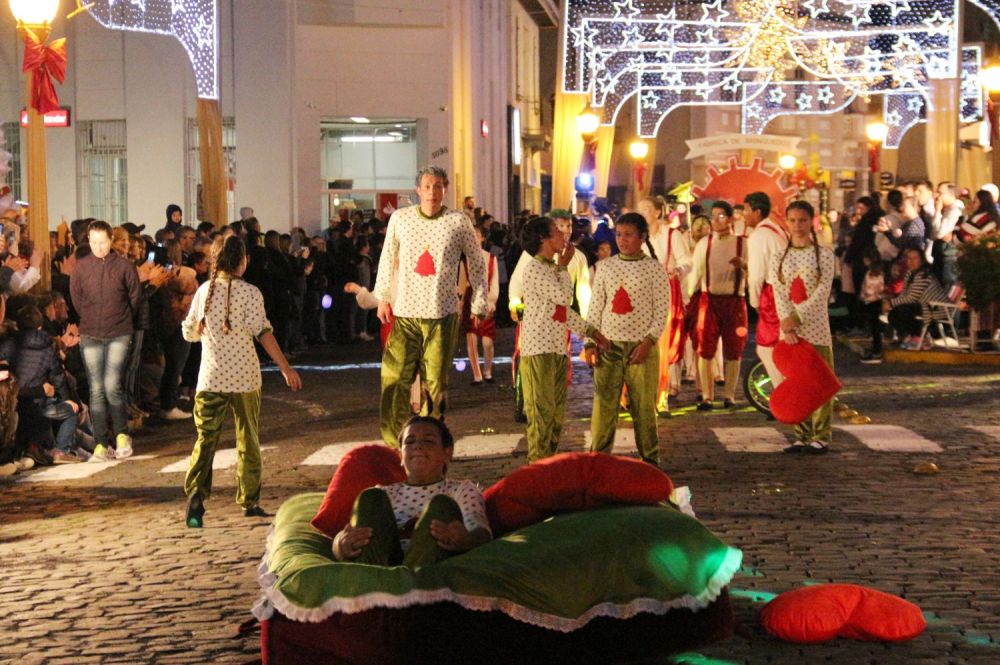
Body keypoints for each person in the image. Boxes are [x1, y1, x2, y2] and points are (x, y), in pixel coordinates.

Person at [181, 236, 303, 528]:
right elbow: (263, 332)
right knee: (248, 437)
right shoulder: (250, 293)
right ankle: (250, 499)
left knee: (205, 438)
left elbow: (188, 332)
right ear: (241, 261)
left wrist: (199, 331)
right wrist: (285, 367)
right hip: (246, 378)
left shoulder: (203, 291)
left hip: (210, 378)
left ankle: (196, 493)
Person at [374, 167, 489, 447]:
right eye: (427, 186)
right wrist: (383, 296)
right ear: (418, 190)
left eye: (438, 186)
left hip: (442, 313)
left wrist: (480, 300)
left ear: (445, 189)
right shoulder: (400, 219)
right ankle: (394, 442)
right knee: (394, 377)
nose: (432, 192)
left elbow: (475, 262)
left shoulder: (458, 221)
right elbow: (388, 256)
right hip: (406, 313)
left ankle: (429, 440)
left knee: (435, 382)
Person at [332, 416, 491, 571]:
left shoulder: (461, 490)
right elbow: (348, 534)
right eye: (410, 441)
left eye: (428, 441)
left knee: (442, 505)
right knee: (371, 497)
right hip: (384, 566)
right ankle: (374, 582)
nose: (418, 446)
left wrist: (464, 540)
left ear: (447, 453)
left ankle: (411, 584)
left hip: (426, 570)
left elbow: (481, 532)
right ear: (400, 456)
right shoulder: (384, 493)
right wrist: (341, 544)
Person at [519, 217, 608, 462]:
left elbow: (562, 313)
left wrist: (591, 332)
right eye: (557, 232)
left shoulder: (550, 268)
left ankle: (548, 466)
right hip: (538, 350)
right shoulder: (535, 268)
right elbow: (563, 298)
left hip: (557, 349)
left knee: (556, 417)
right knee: (541, 416)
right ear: (543, 239)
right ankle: (537, 471)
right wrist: (563, 266)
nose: (563, 237)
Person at [584, 212, 669, 466]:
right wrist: (590, 341)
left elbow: (661, 309)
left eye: (629, 235)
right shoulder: (606, 267)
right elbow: (596, 307)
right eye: (619, 234)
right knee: (604, 408)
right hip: (608, 347)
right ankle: (598, 461)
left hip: (641, 348)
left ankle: (650, 461)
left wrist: (649, 342)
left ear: (642, 237)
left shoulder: (654, 269)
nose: (622, 240)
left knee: (644, 409)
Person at [70, 220, 141, 462]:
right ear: (88, 240)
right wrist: (90, 318)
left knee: (112, 384)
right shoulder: (80, 267)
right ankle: (101, 443)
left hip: (119, 331)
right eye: (94, 242)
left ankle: (121, 434)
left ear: (111, 241)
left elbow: (134, 297)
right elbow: (77, 299)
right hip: (90, 332)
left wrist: (120, 319)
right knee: (96, 388)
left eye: (103, 242)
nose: (99, 247)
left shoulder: (124, 266)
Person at [770, 201, 836, 454]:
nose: (797, 226)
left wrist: (797, 317)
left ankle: (821, 435)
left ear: (811, 222)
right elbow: (779, 290)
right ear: (786, 222)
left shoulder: (824, 256)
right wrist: (786, 322)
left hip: (815, 327)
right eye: (793, 220)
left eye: (802, 220)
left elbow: (821, 293)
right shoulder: (779, 256)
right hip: (789, 331)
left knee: (819, 382)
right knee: (797, 382)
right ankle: (801, 434)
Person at [688, 201, 747, 410]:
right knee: (705, 348)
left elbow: (756, 270)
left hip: (734, 301)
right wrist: (688, 298)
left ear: (730, 219)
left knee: (734, 348)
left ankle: (729, 395)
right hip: (709, 300)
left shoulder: (742, 243)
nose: (715, 221)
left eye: (721, 216)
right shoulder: (705, 243)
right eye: (713, 217)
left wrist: (744, 265)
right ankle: (707, 395)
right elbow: (695, 273)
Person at [637, 196, 691, 417]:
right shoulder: (635, 236)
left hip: (665, 293)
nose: (642, 214)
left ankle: (662, 397)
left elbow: (686, 261)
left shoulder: (672, 234)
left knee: (664, 344)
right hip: (640, 295)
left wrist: (677, 271)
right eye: (639, 210)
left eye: (646, 209)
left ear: (658, 212)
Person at [745, 191, 787, 390]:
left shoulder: (758, 237)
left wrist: (754, 302)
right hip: (785, 293)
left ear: (757, 212)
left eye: (746, 210)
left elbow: (756, 276)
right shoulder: (777, 229)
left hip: (772, 295)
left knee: (766, 348)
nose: (743, 215)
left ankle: (783, 392)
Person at [884, 248, 949, 350]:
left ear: (922, 260)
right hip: (924, 305)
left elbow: (912, 298)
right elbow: (904, 294)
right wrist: (891, 304)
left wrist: (891, 303)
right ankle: (908, 337)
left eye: (915, 258)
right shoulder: (910, 273)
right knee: (894, 313)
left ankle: (919, 338)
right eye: (909, 258)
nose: (911, 261)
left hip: (936, 307)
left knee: (903, 310)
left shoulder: (924, 274)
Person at [458, 226, 500, 384]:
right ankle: (477, 375)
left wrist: (492, 300)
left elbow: (494, 282)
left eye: (476, 235)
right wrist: (460, 302)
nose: (473, 238)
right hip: (470, 299)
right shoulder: (464, 260)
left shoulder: (491, 259)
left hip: (486, 301)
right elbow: (461, 285)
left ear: (482, 238)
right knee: (471, 338)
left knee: (487, 341)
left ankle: (488, 370)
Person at [859, 248, 886, 364]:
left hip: (873, 302)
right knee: (873, 327)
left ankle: (877, 351)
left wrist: (866, 295)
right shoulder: (874, 272)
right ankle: (875, 350)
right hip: (871, 301)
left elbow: (874, 289)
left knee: (875, 328)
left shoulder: (874, 274)